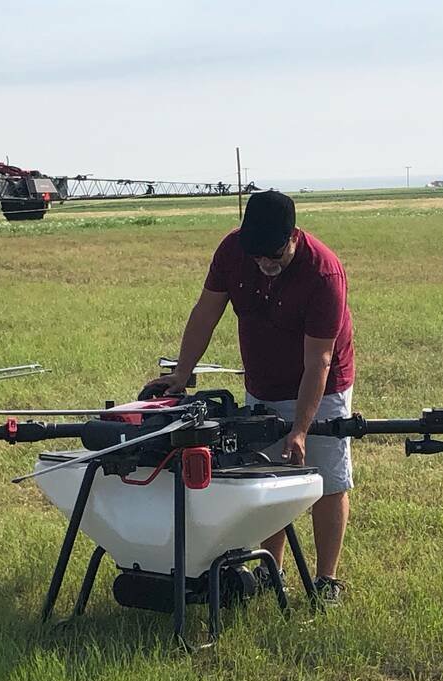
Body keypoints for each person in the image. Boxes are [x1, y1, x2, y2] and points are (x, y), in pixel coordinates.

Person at [143, 190, 355, 604]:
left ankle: (326, 580)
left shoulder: (323, 273)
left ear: (294, 235)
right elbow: (206, 312)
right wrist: (181, 374)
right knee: (267, 481)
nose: (266, 265)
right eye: (257, 257)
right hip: (262, 384)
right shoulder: (232, 252)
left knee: (327, 482)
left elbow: (320, 361)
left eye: (274, 255)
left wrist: (300, 428)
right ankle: (268, 572)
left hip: (322, 387)